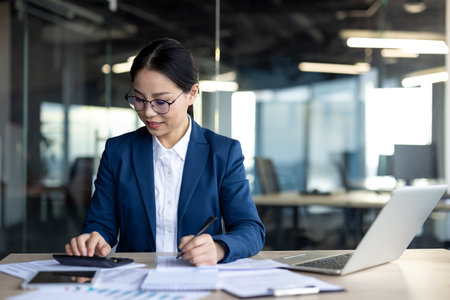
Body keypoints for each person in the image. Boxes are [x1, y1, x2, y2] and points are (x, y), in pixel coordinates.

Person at [65, 38, 265, 266]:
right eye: (139, 100)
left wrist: (219, 248)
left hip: (198, 279)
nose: (148, 112)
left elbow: (251, 229)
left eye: (161, 102)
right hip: (133, 280)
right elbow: (100, 223)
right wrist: (94, 240)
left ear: (192, 93)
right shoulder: (117, 152)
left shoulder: (223, 152)